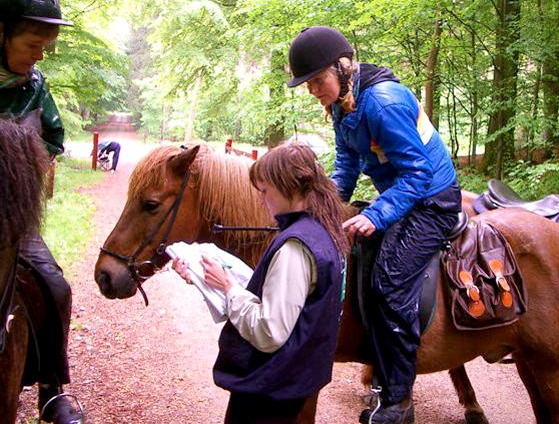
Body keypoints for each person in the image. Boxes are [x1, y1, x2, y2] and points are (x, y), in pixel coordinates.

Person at [287, 26, 461, 424]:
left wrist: (376, 214)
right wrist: (325, 206)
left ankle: (398, 400)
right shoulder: (342, 106)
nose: (314, 90)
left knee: (389, 282)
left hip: (431, 199)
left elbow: (417, 175)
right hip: (403, 193)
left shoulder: (382, 103)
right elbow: (347, 164)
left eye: (318, 80)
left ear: (342, 69)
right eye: (308, 84)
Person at [172, 143, 348, 424]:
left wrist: (229, 288)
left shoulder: (295, 247)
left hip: (270, 389)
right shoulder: (321, 231)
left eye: (265, 191)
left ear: (288, 187)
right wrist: (213, 281)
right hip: (292, 382)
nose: (261, 200)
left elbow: (269, 331)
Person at [0, 0, 83, 423]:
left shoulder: (35, 85)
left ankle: (51, 392)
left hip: (12, 216)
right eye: (33, 43)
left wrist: (23, 164)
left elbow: (53, 136)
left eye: (45, 48)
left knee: (55, 286)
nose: (39, 56)